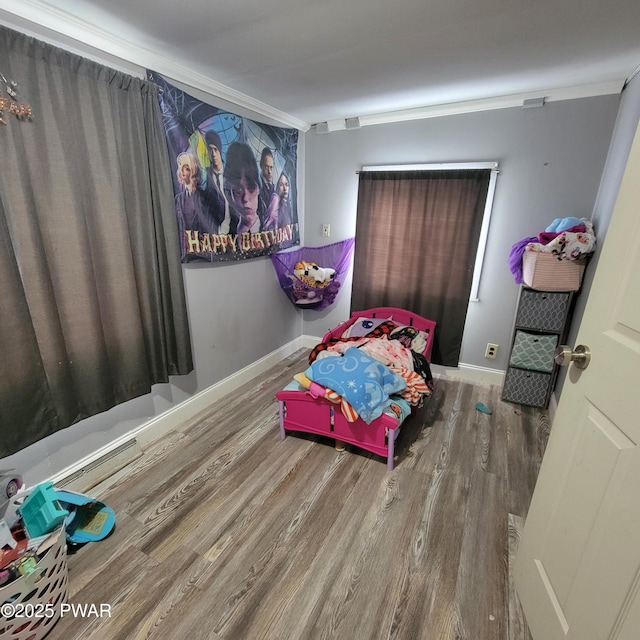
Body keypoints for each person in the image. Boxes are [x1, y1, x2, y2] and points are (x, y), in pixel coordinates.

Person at [174, 153, 216, 257]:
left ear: (194, 170)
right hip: (186, 256)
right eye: (181, 168)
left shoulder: (206, 197)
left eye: (186, 168)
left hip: (205, 255)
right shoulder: (178, 200)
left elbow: (211, 227)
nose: (182, 172)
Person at [224, 142, 267, 234]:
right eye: (238, 191)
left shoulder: (270, 231)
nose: (245, 199)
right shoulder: (227, 238)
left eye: (251, 188)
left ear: (258, 189)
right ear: (230, 194)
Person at [203, 130, 233, 234]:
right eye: (210, 150)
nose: (213, 154)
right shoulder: (206, 177)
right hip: (213, 232)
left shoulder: (231, 175)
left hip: (233, 231)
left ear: (220, 150)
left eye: (215, 149)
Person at [259, 147, 275, 212]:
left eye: (271, 168)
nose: (269, 171)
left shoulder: (272, 187)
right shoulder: (257, 186)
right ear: (261, 166)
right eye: (266, 167)